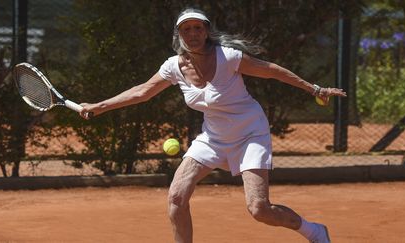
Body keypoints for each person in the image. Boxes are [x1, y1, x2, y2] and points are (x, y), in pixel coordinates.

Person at [80, 8, 346, 243]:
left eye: (198, 28)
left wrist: (314, 89)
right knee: (176, 198)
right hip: (213, 138)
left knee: (259, 209)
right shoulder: (173, 67)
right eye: (187, 29)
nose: (193, 33)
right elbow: (142, 92)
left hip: (250, 133)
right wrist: (99, 106)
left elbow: (271, 70)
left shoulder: (228, 57)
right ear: (179, 36)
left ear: (207, 31)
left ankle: (314, 232)